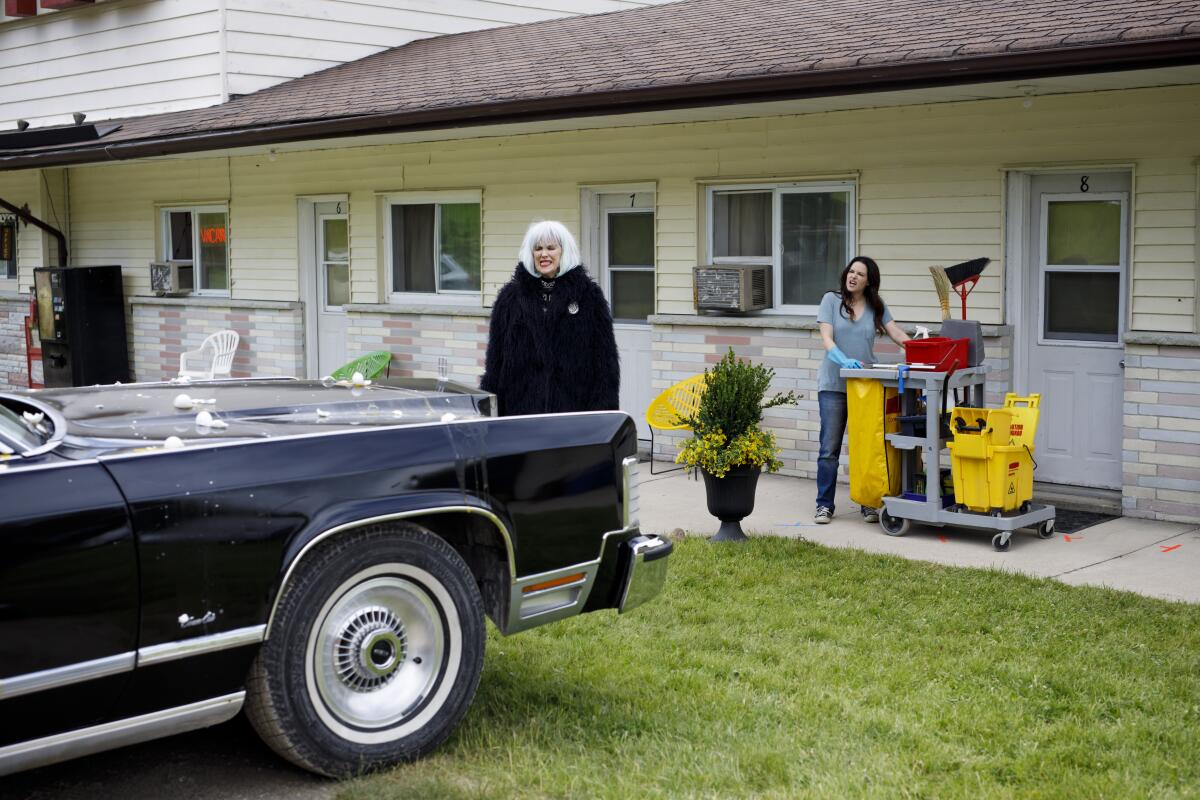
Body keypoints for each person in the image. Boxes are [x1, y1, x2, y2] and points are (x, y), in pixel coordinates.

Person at [481, 220, 620, 416]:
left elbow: (606, 362)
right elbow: (495, 360)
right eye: (537, 248)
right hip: (520, 412)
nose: (543, 254)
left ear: (564, 251)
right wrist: (491, 412)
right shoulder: (510, 297)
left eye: (551, 248)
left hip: (573, 412)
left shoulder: (589, 295)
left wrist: (603, 416)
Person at [814, 256, 910, 525]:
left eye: (860, 274)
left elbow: (897, 334)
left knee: (867, 446)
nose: (853, 276)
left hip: (865, 388)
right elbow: (826, 338)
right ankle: (824, 505)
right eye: (851, 271)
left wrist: (922, 350)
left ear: (869, 281)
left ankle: (868, 502)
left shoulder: (876, 306)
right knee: (829, 449)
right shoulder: (831, 301)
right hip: (834, 385)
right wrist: (843, 360)